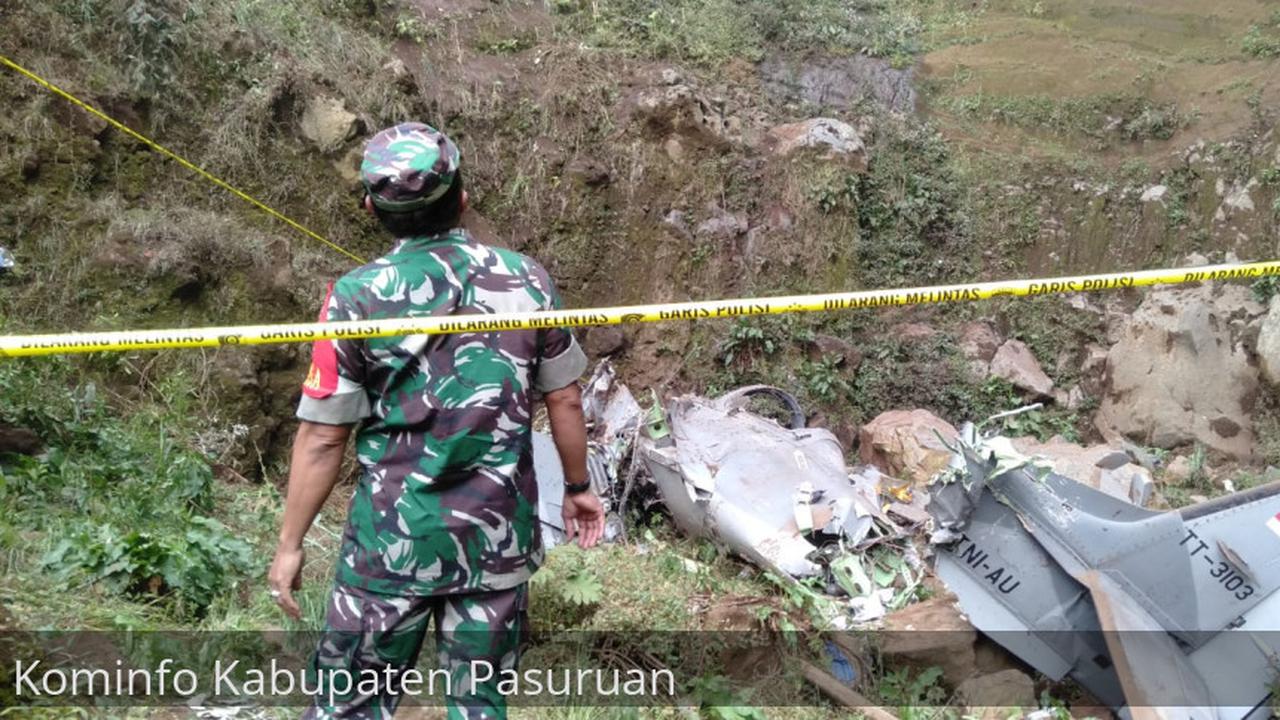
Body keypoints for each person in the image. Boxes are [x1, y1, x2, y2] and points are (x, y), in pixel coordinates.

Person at [267, 122, 605, 719]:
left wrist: (290, 545)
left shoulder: (356, 297)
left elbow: (323, 435)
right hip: (495, 542)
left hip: (390, 547)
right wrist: (578, 489)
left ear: (372, 207)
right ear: (463, 197)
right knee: (479, 705)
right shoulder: (528, 281)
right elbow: (566, 401)